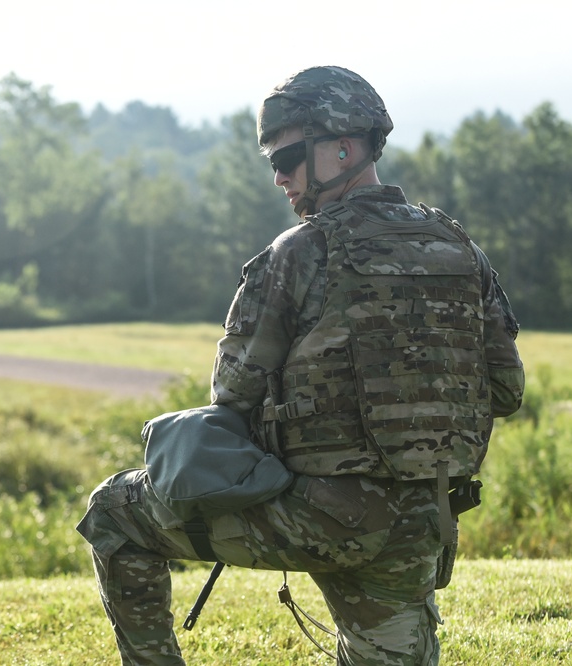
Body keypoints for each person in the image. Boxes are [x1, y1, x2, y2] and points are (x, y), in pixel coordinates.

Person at [77, 66, 525, 665]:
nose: (279, 176)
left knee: (114, 512)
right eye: (273, 162)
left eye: (288, 156)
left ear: (345, 148)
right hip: (425, 524)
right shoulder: (459, 248)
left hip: (323, 517)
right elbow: (507, 387)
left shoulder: (300, 253)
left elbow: (233, 391)